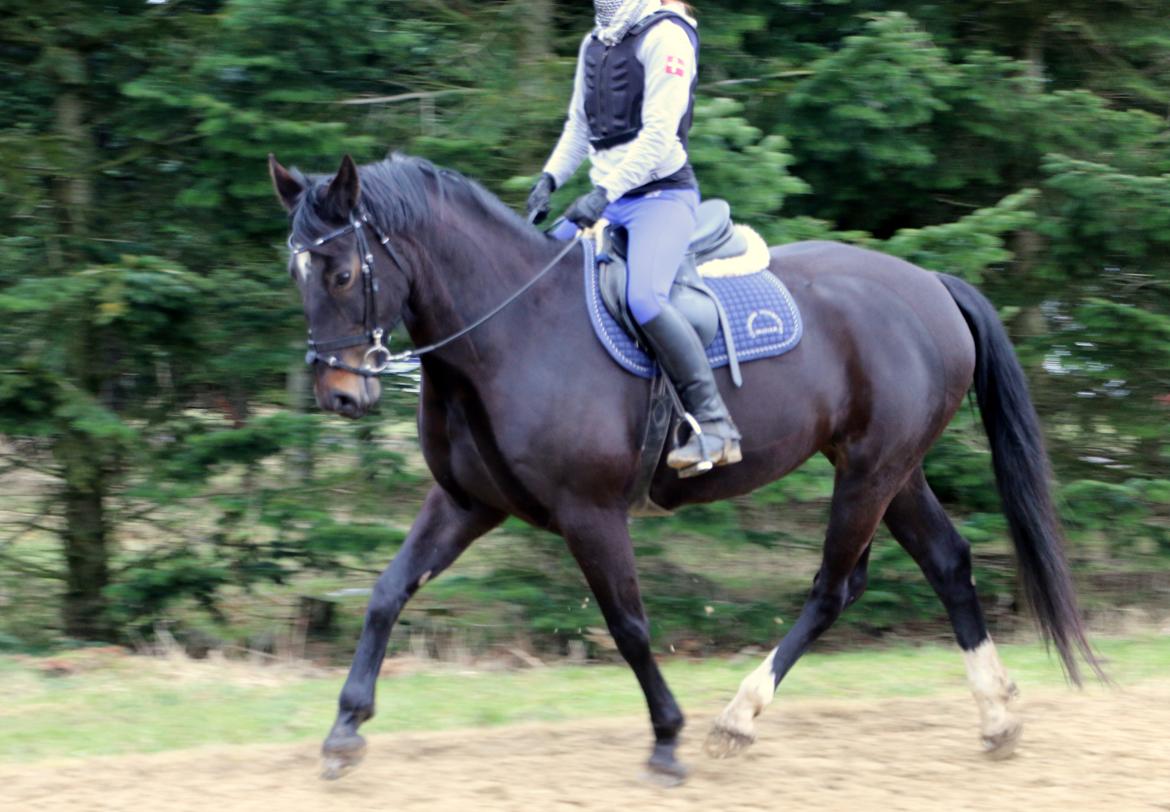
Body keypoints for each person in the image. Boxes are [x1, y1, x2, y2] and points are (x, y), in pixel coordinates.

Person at [526, 0, 741, 475]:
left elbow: (660, 136)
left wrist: (602, 194)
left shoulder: (667, 37)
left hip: (661, 197)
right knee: (538, 271)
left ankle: (716, 424)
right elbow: (579, 130)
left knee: (643, 298)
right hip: (610, 197)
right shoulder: (594, 43)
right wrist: (550, 179)